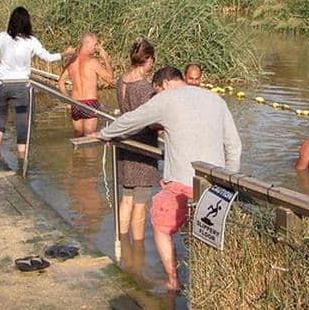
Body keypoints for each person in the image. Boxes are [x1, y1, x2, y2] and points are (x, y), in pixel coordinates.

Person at [100, 66, 242, 292]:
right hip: (213, 184)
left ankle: (173, 280)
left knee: (161, 226)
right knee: (206, 233)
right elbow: (234, 145)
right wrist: (228, 179)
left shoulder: (166, 99)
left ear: (163, 84)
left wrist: (104, 134)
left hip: (180, 183)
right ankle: (213, 285)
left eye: (156, 92)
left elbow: (131, 120)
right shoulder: (216, 100)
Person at [0, 7, 73, 169]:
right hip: (21, 86)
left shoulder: (2, 37)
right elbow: (47, 57)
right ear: (28, 22)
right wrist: (65, 53)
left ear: (11, 21)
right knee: (21, 121)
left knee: (1, 116)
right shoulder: (31, 41)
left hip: (2, 84)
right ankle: (21, 157)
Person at [115, 38, 160, 242]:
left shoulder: (121, 81)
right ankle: (138, 250)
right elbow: (152, 121)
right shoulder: (145, 88)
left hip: (124, 143)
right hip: (142, 147)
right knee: (141, 202)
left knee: (127, 198)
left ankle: (123, 243)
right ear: (148, 59)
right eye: (152, 61)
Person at [58, 33, 114, 137]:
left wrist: (68, 99)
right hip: (90, 103)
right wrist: (105, 58)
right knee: (90, 138)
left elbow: (61, 82)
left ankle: (79, 154)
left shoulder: (72, 61)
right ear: (88, 43)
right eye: (95, 44)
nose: (97, 47)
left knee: (78, 137)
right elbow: (110, 80)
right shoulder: (92, 61)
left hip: (75, 103)